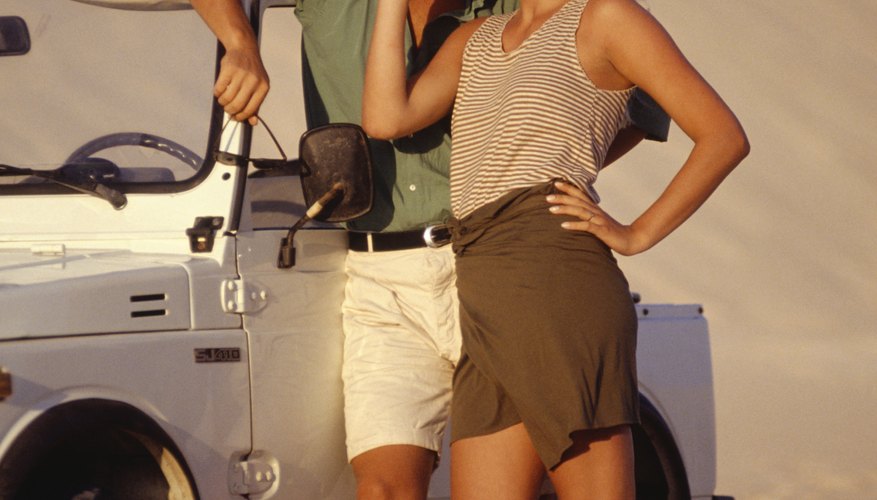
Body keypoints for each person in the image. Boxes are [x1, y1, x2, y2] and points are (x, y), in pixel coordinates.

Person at [193, 1, 669, 498]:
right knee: (381, 489)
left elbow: (648, 101)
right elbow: (385, 118)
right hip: (378, 277)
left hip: (493, 265)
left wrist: (553, 165)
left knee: (548, 476)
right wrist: (241, 43)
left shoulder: (510, 10)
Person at [362, 0, 749, 498]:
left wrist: (637, 233)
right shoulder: (473, 37)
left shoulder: (606, 17)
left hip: (555, 273)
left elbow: (722, 135)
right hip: (480, 287)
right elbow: (385, 118)